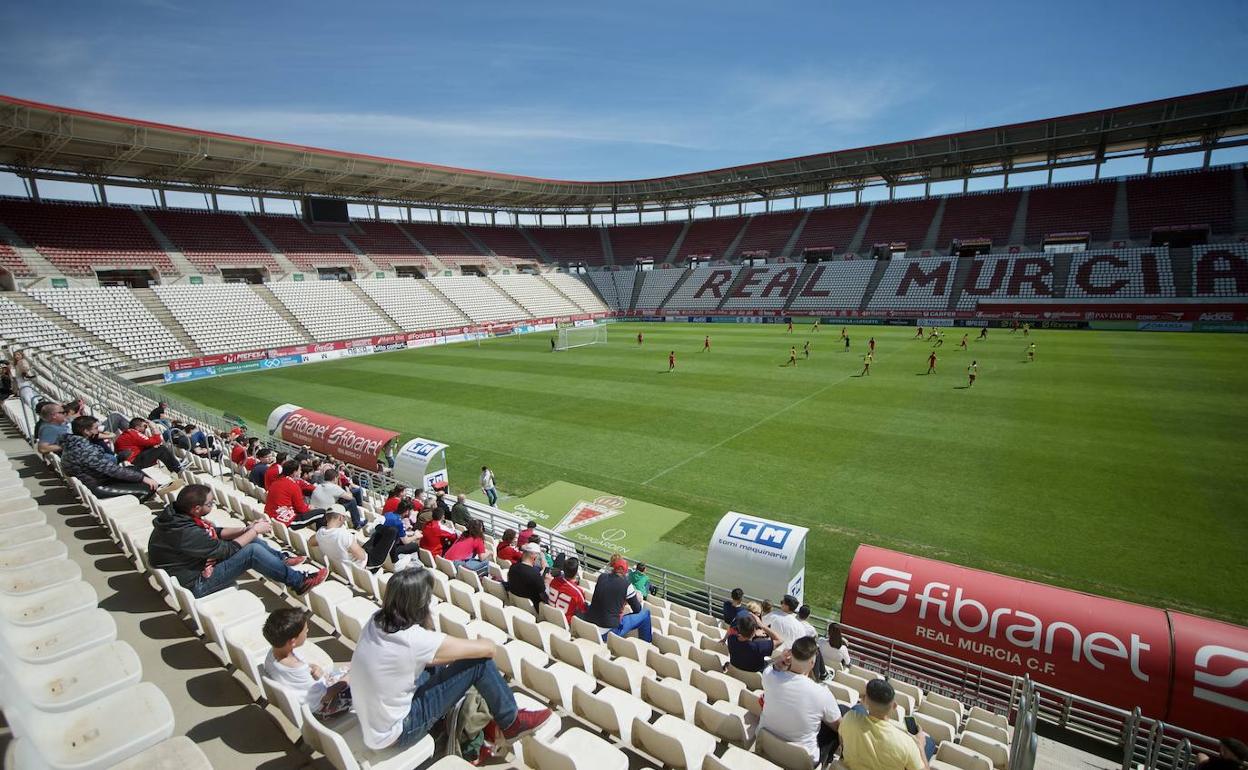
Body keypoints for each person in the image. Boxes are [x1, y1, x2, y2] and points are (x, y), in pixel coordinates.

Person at [348, 569, 553, 752]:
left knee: (437, 666)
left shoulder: (376, 621)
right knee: (479, 662)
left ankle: (473, 719)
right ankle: (511, 722)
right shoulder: (414, 640)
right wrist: (481, 643)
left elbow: (426, 656)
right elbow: (488, 650)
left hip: (375, 722)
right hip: (400, 731)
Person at [149, 484, 327, 598]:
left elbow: (215, 533)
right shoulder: (185, 532)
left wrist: (246, 530)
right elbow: (225, 550)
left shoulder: (179, 515)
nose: (214, 505)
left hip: (191, 566)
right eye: (210, 504)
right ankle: (299, 583)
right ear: (196, 508)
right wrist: (255, 531)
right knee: (251, 551)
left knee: (250, 539)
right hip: (195, 582)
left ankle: (281, 560)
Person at [760, 637, 843, 766]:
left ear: (790, 656)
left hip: (767, 745)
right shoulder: (822, 693)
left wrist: (780, 659)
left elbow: (771, 667)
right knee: (837, 721)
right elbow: (839, 726)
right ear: (812, 662)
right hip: (801, 760)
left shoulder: (769, 675)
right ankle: (826, 762)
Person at [262, 607, 351, 717]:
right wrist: (347, 679)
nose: (307, 631)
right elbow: (325, 696)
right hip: (324, 705)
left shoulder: (273, 654)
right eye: (305, 631)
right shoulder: (298, 671)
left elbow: (300, 674)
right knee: (364, 677)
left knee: (355, 665)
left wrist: (313, 667)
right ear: (293, 641)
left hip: (317, 689)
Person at [840, 678, 933, 770]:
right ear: (894, 706)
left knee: (857, 708)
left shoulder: (849, 718)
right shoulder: (907, 743)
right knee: (929, 742)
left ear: (865, 700)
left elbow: (842, 744)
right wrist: (920, 746)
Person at [62, 416, 161, 501]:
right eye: (96, 428)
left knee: (133, 469)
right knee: (147, 488)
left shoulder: (73, 443)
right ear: (86, 431)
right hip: (98, 485)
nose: (98, 431)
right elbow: (112, 470)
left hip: (98, 478)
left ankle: (157, 486)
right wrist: (143, 478)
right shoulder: (84, 450)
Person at [579, 555, 652, 642]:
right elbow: (637, 609)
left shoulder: (602, 577)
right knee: (645, 613)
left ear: (613, 568)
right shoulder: (627, 585)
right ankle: (647, 643)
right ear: (625, 572)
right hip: (608, 631)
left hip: (589, 625)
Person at [313, 509, 397, 571]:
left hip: (354, 560)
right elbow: (362, 556)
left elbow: (310, 543)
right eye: (344, 518)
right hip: (368, 563)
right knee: (393, 531)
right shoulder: (343, 535)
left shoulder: (321, 532)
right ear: (340, 518)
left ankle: (377, 527)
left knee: (378, 535)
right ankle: (395, 560)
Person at [265, 460, 326, 529]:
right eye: (299, 470)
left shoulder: (276, 481)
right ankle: (320, 538)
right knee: (321, 512)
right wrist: (309, 508)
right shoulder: (294, 486)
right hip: (286, 521)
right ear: (294, 472)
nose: (301, 472)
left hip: (271, 516)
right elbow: (302, 509)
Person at [114, 418, 182, 473]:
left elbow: (143, 444)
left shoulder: (126, 433)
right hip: (134, 462)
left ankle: (174, 468)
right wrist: (154, 428)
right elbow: (157, 440)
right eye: (145, 426)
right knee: (162, 449)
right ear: (137, 427)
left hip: (128, 460)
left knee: (158, 449)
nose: (146, 428)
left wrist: (152, 446)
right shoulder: (134, 434)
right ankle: (177, 468)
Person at [505, 542, 547, 613]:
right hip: (533, 609)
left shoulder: (513, 567)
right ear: (534, 557)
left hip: (516, 604)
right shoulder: (535, 575)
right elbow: (543, 594)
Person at [546, 556, 588, 624]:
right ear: (576, 572)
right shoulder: (577, 591)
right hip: (564, 623)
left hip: (550, 616)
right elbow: (583, 610)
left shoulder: (554, 581)